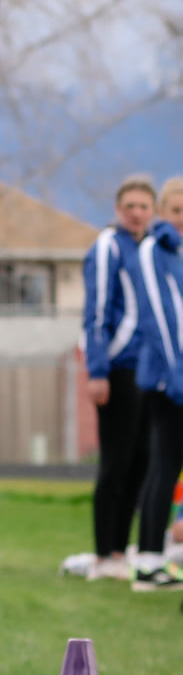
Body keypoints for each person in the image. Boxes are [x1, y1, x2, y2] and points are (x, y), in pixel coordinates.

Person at [78, 175, 155, 580]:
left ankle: (120, 550)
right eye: (130, 206)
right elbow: (96, 310)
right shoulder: (109, 247)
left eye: (144, 207)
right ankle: (103, 552)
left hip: (148, 370)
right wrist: (98, 369)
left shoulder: (151, 249)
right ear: (118, 209)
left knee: (141, 461)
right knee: (116, 462)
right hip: (118, 367)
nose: (137, 213)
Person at [129, 179, 183, 591]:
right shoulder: (153, 250)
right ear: (163, 212)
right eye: (176, 211)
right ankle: (148, 562)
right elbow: (159, 318)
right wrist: (177, 374)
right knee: (164, 466)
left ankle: (155, 557)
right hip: (169, 378)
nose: (182, 219)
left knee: (168, 467)